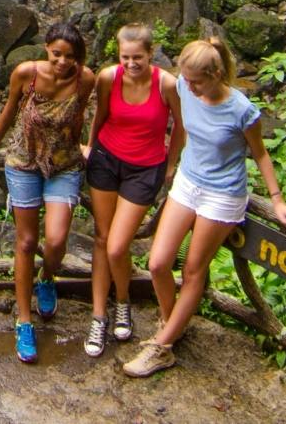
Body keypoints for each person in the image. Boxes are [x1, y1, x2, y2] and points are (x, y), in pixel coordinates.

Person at [123, 37, 286, 378]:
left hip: (222, 193)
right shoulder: (183, 86)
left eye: (197, 81)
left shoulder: (241, 110)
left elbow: (261, 155)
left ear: (217, 74)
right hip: (189, 182)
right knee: (159, 262)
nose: (189, 88)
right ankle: (172, 323)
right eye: (186, 80)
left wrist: (278, 200)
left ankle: (161, 347)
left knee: (194, 270)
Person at [0, 19, 95, 365]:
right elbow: (10, 109)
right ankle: (24, 321)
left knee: (55, 241)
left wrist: (86, 145)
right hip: (23, 161)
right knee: (25, 242)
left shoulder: (85, 79)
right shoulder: (27, 73)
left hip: (64, 163)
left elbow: (82, 114)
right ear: (47, 50)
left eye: (70, 56)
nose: (62, 62)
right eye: (56, 54)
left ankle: (47, 277)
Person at [82, 24, 182, 359]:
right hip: (106, 161)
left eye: (137, 57)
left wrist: (171, 164)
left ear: (150, 54)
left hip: (145, 168)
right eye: (125, 57)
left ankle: (122, 301)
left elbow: (180, 126)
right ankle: (99, 315)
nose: (130, 63)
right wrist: (90, 148)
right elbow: (100, 116)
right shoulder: (109, 77)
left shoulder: (166, 83)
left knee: (117, 246)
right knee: (101, 238)